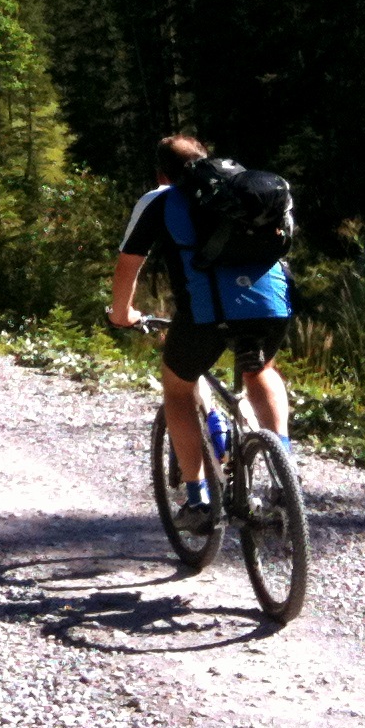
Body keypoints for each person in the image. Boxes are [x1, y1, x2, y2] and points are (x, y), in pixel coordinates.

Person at [109, 133, 292, 531]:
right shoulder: (248, 190)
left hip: (207, 314)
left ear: (162, 173)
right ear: (206, 159)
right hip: (272, 306)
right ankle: (285, 473)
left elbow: (129, 263)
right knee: (261, 369)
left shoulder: (160, 199)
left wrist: (121, 313)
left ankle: (198, 501)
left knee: (178, 388)